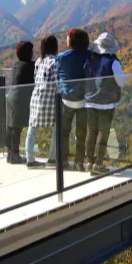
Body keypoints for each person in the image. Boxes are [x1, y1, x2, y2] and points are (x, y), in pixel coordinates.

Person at [83, 33, 126, 175]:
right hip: (106, 103)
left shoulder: (90, 60)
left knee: (91, 131)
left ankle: (89, 162)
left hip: (90, 100)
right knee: (103, 131)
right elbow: (121, 82)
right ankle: (99, 163)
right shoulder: (113, 62)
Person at [55, 28, 91, 170]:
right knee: (81, 133)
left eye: (68, 37)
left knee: (64, 132)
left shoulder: (62, 57)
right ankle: (79, 162)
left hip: (66, 99)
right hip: (84, 100)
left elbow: (58, 74)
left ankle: (63, 160)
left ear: (72, 40)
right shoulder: (90, 55)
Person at [25, 35, 59, 169]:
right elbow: (58, 82)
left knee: (32, 129)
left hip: (35, 99)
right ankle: (52, 158)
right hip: (50, 101)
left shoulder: (39, 61)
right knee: (57, 128)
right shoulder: (55, 62)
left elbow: (35, 78)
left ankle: (30, 159)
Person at [6, 41, 35, 164]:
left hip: (11, 96)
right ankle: (15, 155)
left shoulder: (15, 63)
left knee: (11, 126)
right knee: (17, 128)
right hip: (21, 98)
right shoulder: (31, 65)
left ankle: (10, 153)